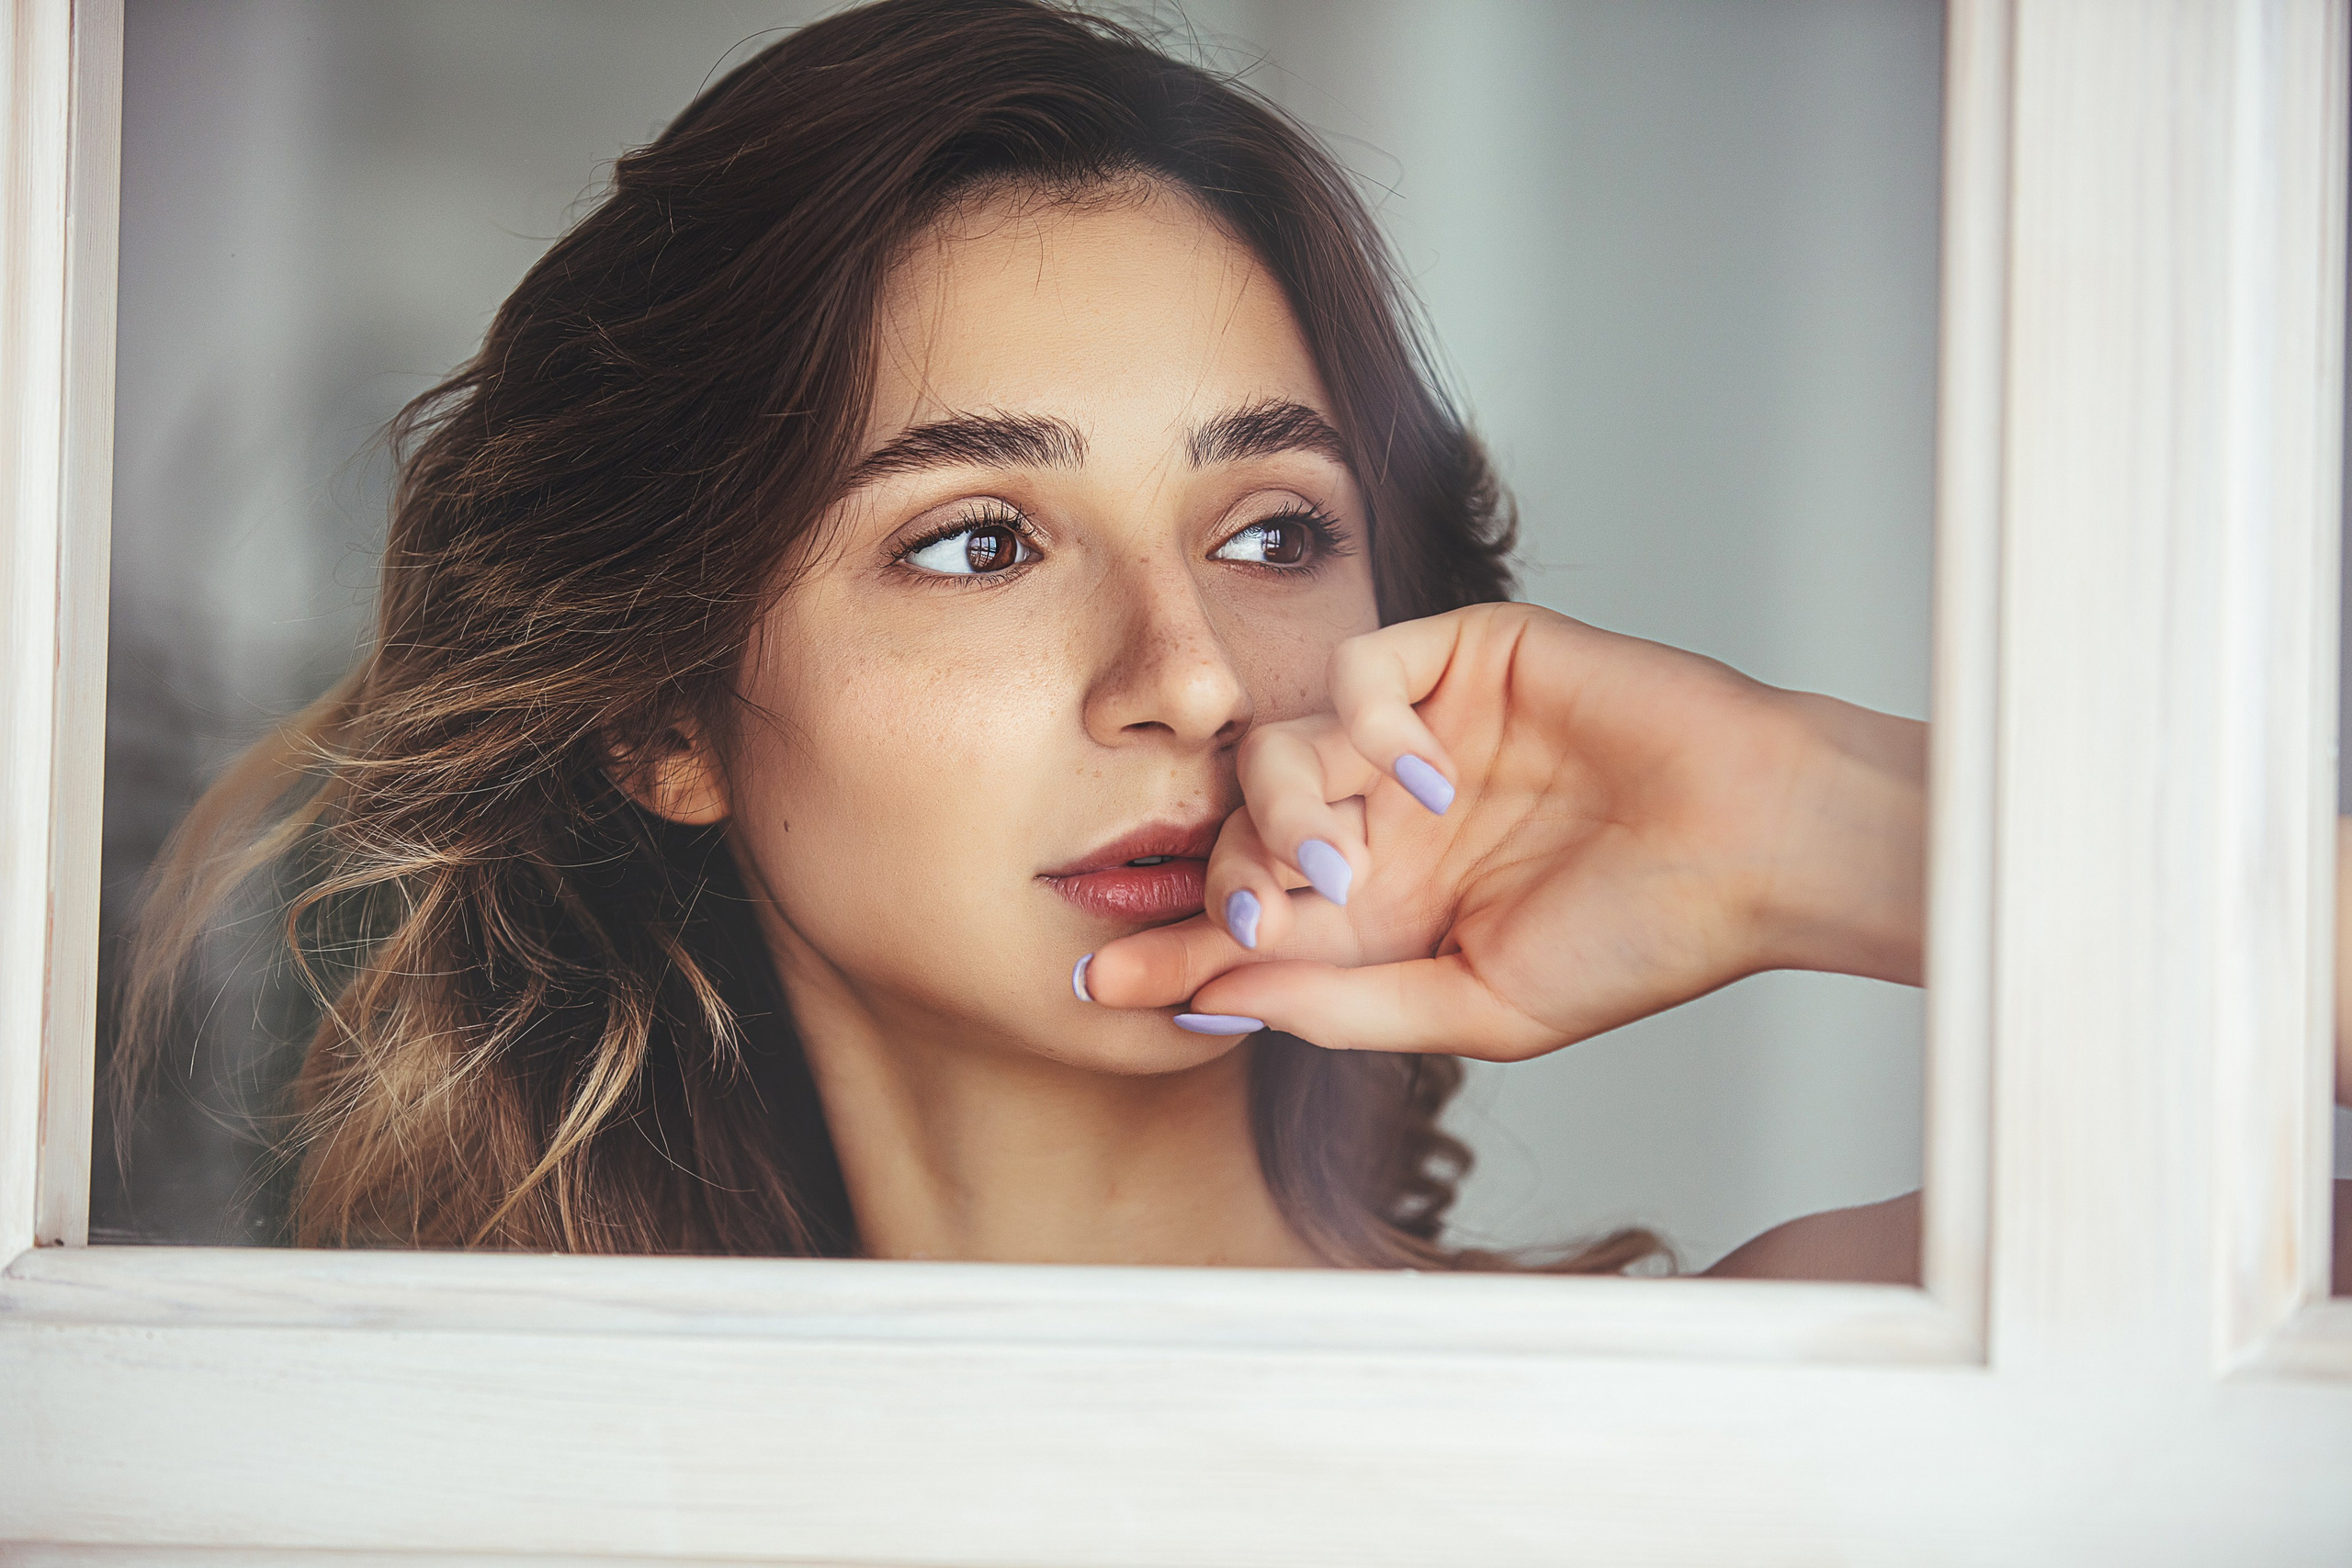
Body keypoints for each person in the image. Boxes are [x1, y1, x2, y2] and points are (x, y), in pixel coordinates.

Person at [114, 0, 2059, 1282]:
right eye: (977, 538)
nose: (1194, 673)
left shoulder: (1794, 1403)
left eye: (1272, 529)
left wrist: (1812, 817)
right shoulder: (433, 1478)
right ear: (660, 711)